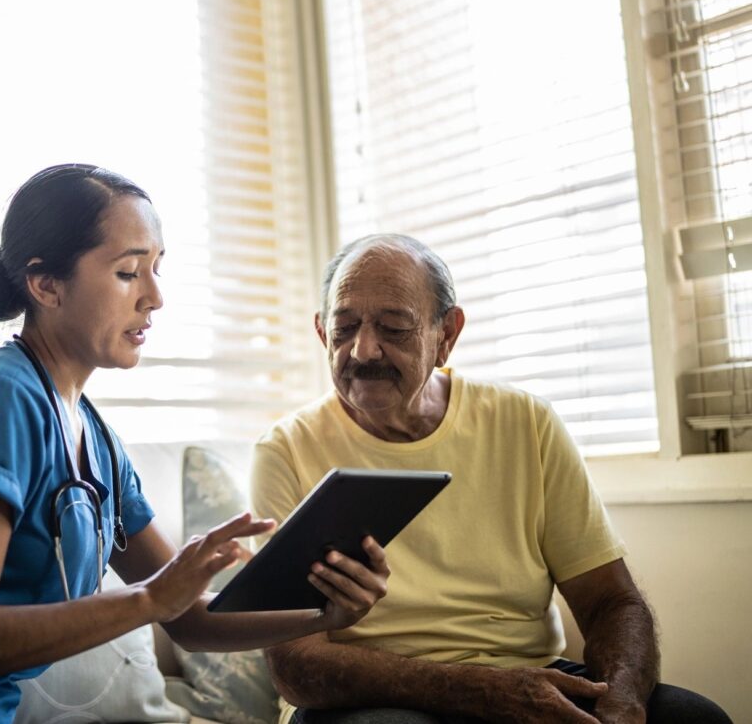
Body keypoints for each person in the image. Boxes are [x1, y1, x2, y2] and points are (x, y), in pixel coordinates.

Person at [0, 165, 390, 723]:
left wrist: (324, 613)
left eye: (159, 268)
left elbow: (188, 618)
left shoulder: (96, 440)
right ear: (45, 285)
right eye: (130, 272)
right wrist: (147, 599)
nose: (155, 296)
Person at [252, 233, 732, 724]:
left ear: (447, 335)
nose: (364, 350)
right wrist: (479, 690)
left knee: (696, 718)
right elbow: (295, 665)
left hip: (527, 677)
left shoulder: (527, 422)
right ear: (321, 333)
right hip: (371, 700)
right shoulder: (286, 450)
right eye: (345, 327)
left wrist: (621, 704)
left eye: (394, 328)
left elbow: (612, 600)